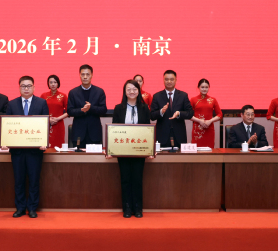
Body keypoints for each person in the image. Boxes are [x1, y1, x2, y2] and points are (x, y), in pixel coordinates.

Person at [5, 76, 49, 218]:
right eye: (23, 86)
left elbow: (46, 124)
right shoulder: (12, 104)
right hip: (17, 151)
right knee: (19, 181)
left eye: (29, 86)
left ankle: (32, 208)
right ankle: (20, 208)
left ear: (34, 88)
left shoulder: (41, 103)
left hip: (35, 150)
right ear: (19, 88)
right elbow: (7, 125)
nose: (26, 88)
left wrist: (44, 141)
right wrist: (5, 140)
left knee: (34, 180)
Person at [110, 80, 151, 218]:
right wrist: (112, 150)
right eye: (129, 89)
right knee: (125, 179)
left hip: (139, 150)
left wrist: (149, 150)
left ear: (139, 91)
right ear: (124, 92)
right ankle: (127, 208)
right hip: (123, 150)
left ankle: (138, 208)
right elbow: (114, 130)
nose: (132, 91)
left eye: (134, 89)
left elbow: (148, 130)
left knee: (137, 179)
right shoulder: (118, 108)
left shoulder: (144, 108)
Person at [150, 70, 193, 148]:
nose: (169, 81)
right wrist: (161, 112)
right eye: (166, 79)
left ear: (176, 80)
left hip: (179, 135)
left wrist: (179, 113)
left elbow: (190, 113)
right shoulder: (157, 96)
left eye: (171, 79)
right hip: (162, 136)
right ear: (163, 80)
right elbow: (152, 116)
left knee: (179, 156)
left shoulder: (183, 95)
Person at [67, 64, 107, 147]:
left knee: (94, 156)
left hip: (94, 133)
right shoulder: (73, 92)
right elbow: (70, 111)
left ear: (92, 75)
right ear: (79, 75)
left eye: (87, 74)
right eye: (83, 74)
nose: (85, 77)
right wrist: (81, 110)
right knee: (77, 155)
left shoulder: (99, 91)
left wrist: (91, 108)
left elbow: (103, 110)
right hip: (78, 133)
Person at [190, 79, 222, 148]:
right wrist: (199, 121)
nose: (204, 89)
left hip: (209, 129)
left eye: (206, 87)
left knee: (209, 151)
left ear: (209, 88)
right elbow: (188, 115)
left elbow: (220, 114)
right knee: (196, 151)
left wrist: (210, 121)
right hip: (197, 130)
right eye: (202, 87)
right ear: (198, 87)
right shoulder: (193, 100)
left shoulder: (213, 100)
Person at [40, 74, 68, 149]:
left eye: (55, 82)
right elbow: (39, 111)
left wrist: (57, 119)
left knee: (59, 146)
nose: (53, 84)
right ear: (48, 84)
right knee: (46, 146)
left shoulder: (63, 96)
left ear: (58, 83)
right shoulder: (43, 95)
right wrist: (48, 119)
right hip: (46, 124)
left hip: (59, 124)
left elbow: (69, 112)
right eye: (51, 82)